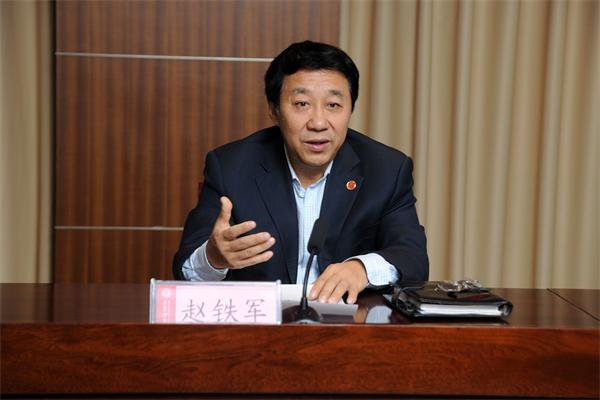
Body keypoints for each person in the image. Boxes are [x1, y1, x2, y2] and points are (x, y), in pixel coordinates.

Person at [173, 40, 428, 304]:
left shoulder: (386, 169)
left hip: (349, 323)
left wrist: (361, 269)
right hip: (259, 321)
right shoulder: (231, 167)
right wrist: (213, 259)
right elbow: (185, 272)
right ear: (274, 110)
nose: (318, 122)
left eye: (333, 105)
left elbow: (413, 258)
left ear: (350, 109)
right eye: (302, 103)